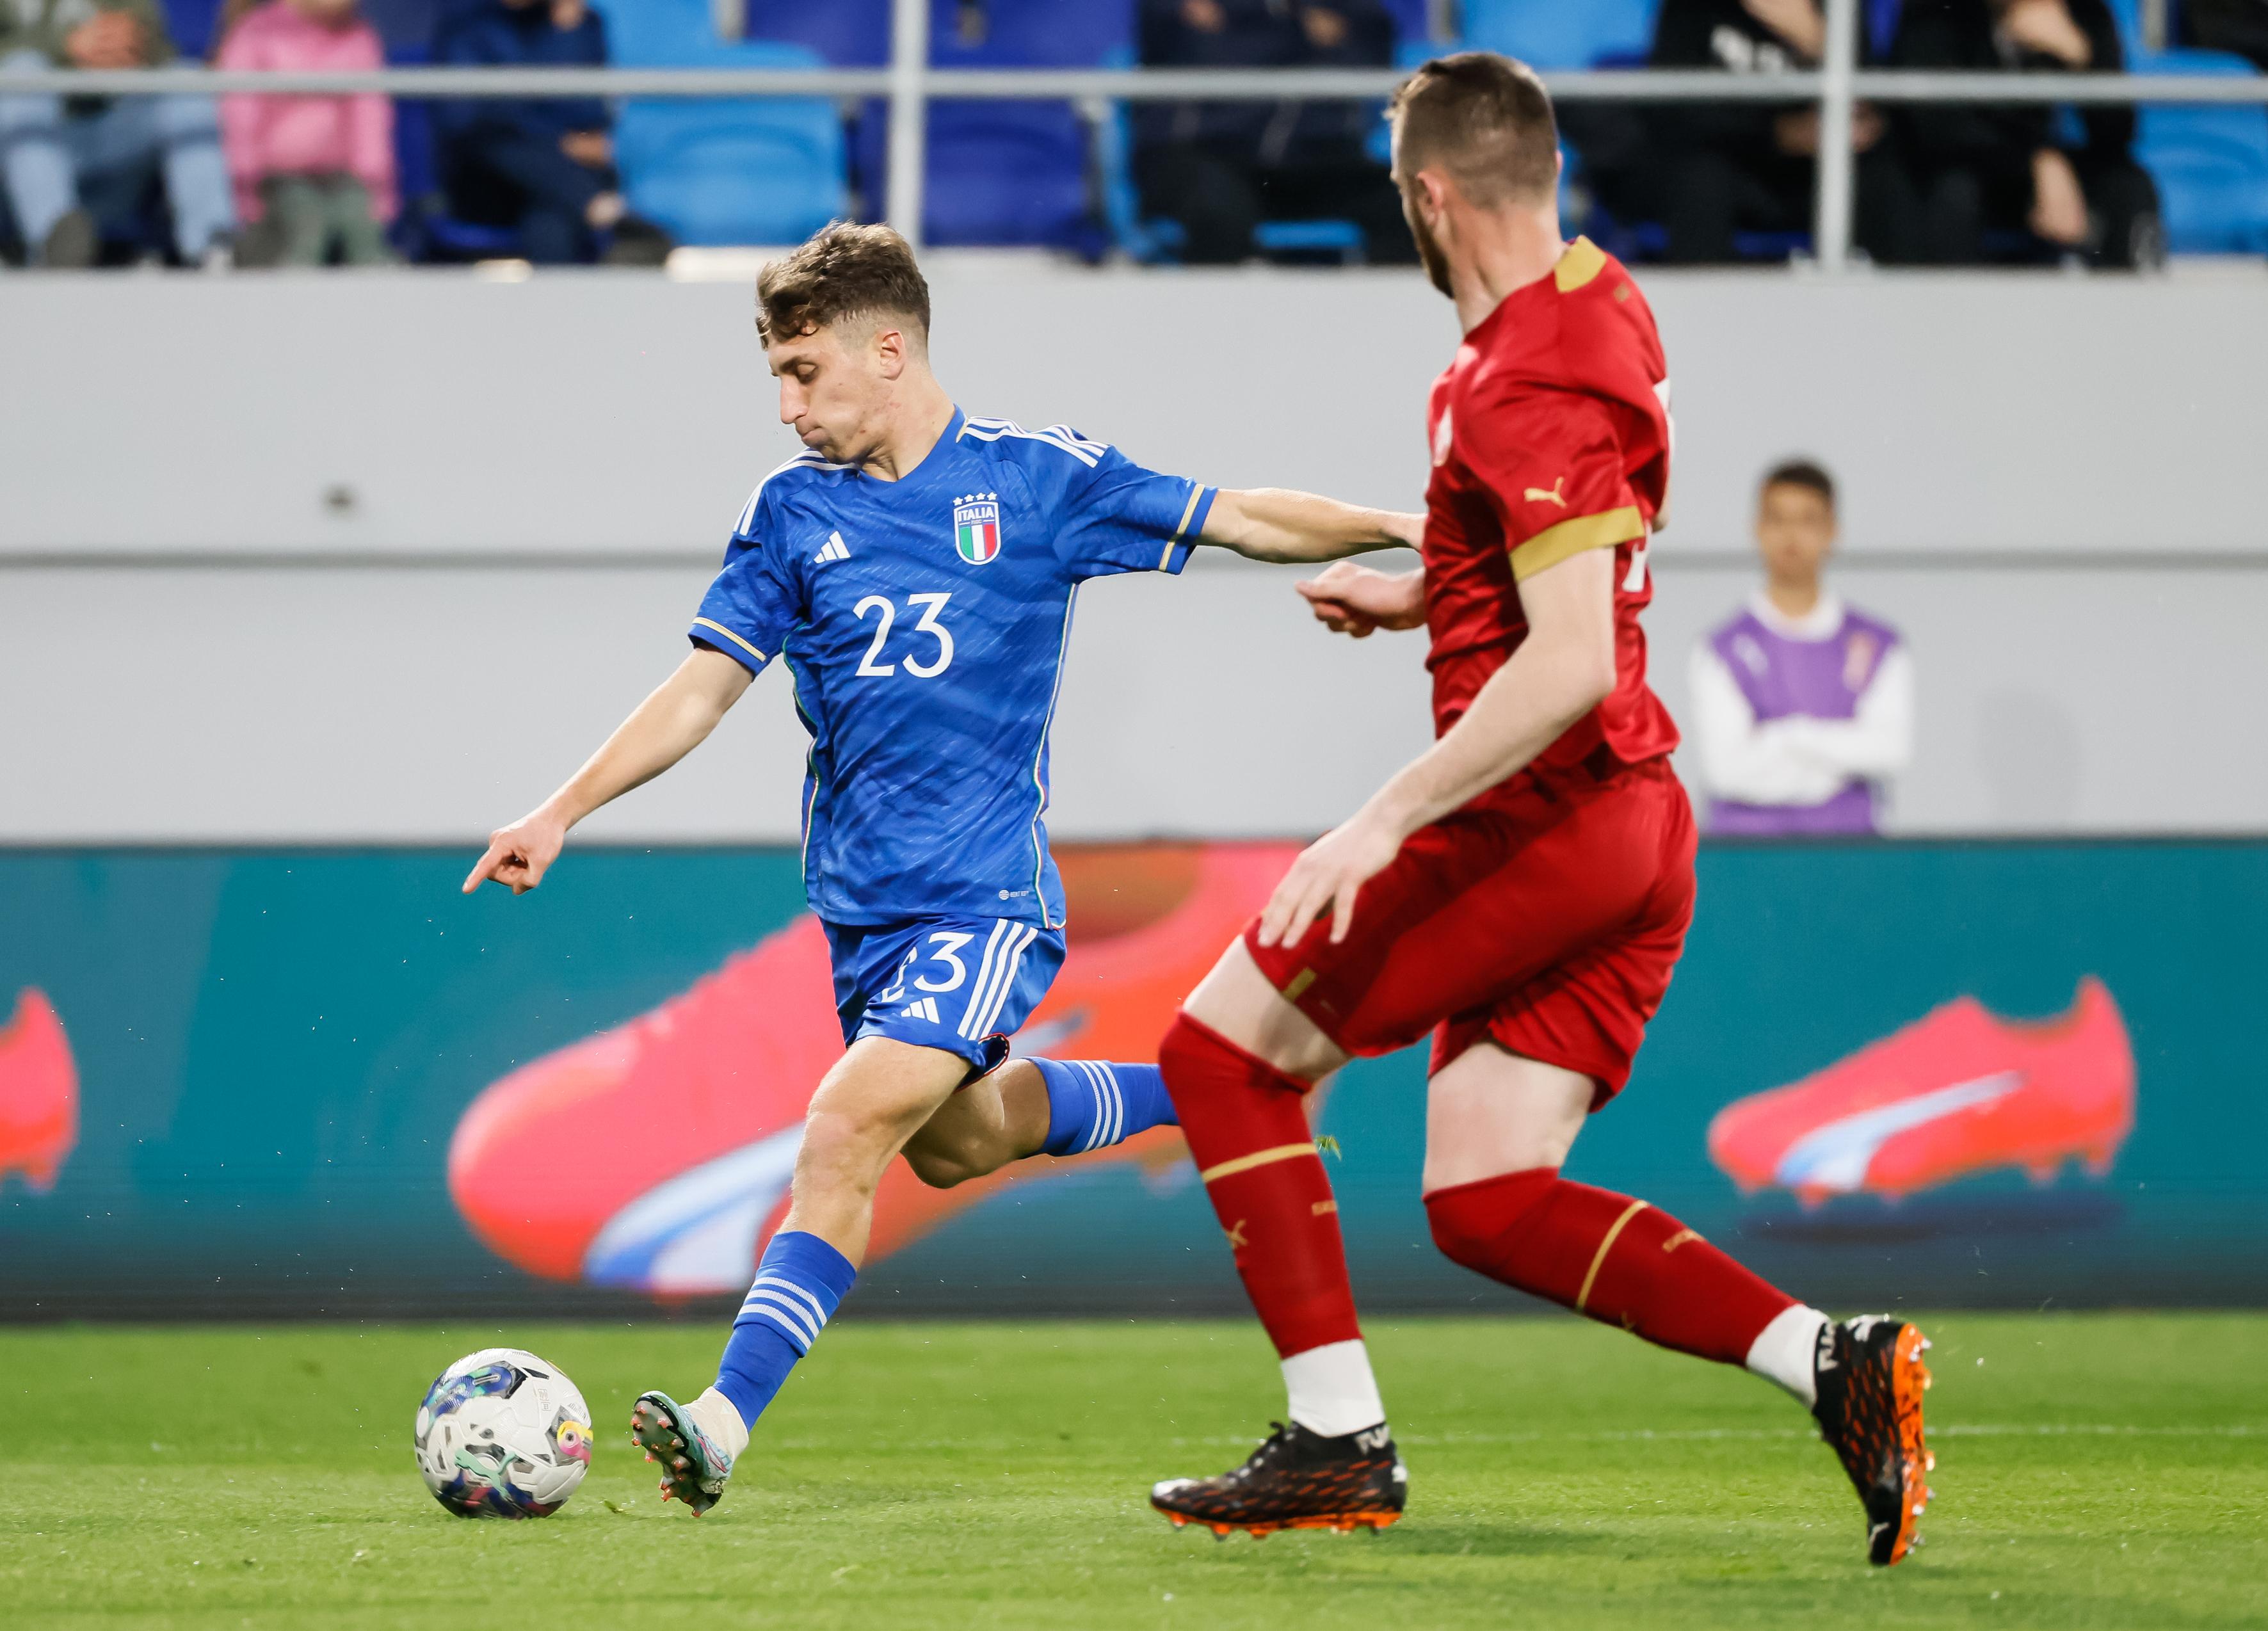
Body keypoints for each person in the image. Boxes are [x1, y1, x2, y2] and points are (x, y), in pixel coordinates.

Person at [462, 221, 1425, 1516]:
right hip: (862, 916)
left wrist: (1411, 529)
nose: (787, 402)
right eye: (777, 376)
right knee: (960, 1141)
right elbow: (704, 689)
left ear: (889, 346)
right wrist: (561, 806)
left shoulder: (1035, 479)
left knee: (844, 1125)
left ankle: (720, 1420)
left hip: (985, 901)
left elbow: (1240, 513)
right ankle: (1223, 1085)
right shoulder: (788, 510)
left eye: (805, 370)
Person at [1142, 53, 1935, 1567]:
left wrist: (1377, 820)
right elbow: (1593, 557)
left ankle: (1334, 1441)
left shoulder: (1513, 381)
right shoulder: (1604, 301)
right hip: (1637, 822)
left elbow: (1568, 663)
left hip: (1542, 821)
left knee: (1220, 1056)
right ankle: (1830, 1361)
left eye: (1400, 196)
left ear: (1432, 195)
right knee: (1489, 1198)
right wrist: (1432, 598)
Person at [1689, 460, 1913, 835]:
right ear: (1757, 530)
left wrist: (1789, 736)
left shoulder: (1880, 646)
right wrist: (1833, 770)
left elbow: (1890, 749)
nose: (1791, 536)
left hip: (1853, 856)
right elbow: (1725, 771)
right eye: (1777, 519)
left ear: (1832, 532)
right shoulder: (1720, 649)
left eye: (1808, 520)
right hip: (1745, 858)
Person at [1134, 0, 1416, 264]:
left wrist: (1271, 25)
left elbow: (1369, 51)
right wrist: (1294, 29)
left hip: (1307, 159)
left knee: (1406, 204)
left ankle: (1386, 314)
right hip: (1203, 152)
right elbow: (1205, 47)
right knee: (1218, 211)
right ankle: (1219, 314)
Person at [1891, 0, 2162, 268]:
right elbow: (1940, 128)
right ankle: (1949, 307)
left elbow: (2118, 134)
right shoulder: (1935, 11)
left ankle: (2131, 304)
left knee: (2129, 184)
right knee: (1954, 191)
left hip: (2037, 170)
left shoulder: (2084, 11)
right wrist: (2038, 158)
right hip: (1971, 168)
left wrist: (2083, 59)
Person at [1648, 0, 1918, 264]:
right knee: (1701, 179)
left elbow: (1873, 114)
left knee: (1886, 178)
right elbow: (1673, 110)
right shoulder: (1694, 7)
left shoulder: (1837, 7)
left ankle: (1905, 304)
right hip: (1729, 164)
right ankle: (1697, 305)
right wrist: (1778, 133)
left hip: (1814, 170)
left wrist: (1819, 43)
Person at [0, 0, 236, 268]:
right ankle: (52, 243)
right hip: (17, 159)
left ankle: (215, 248)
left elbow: (160, 48)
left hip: (108, 145)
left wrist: (131, 48)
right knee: (24, 69)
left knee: (186, 81)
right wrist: (63, 47)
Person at [433, 0, 666, 264]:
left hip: (554, 181)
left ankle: (557, 300)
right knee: (496, 141)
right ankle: (597, 205)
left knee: (551, 214)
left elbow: (585, 115)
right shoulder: (469, 26)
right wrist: (559, 141)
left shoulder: (579, 25)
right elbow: (465, 119)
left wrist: (567, 31)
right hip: (489, 181)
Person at [217, 0, 396, 266]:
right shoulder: (257, 32)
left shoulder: (360, 36)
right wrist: (245, 188)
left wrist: (377, 186)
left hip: (342, 178)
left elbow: (370, 119)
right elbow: (240, 118)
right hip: (276, 180)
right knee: (307, 228)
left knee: (364, 229)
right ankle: (292, 304)